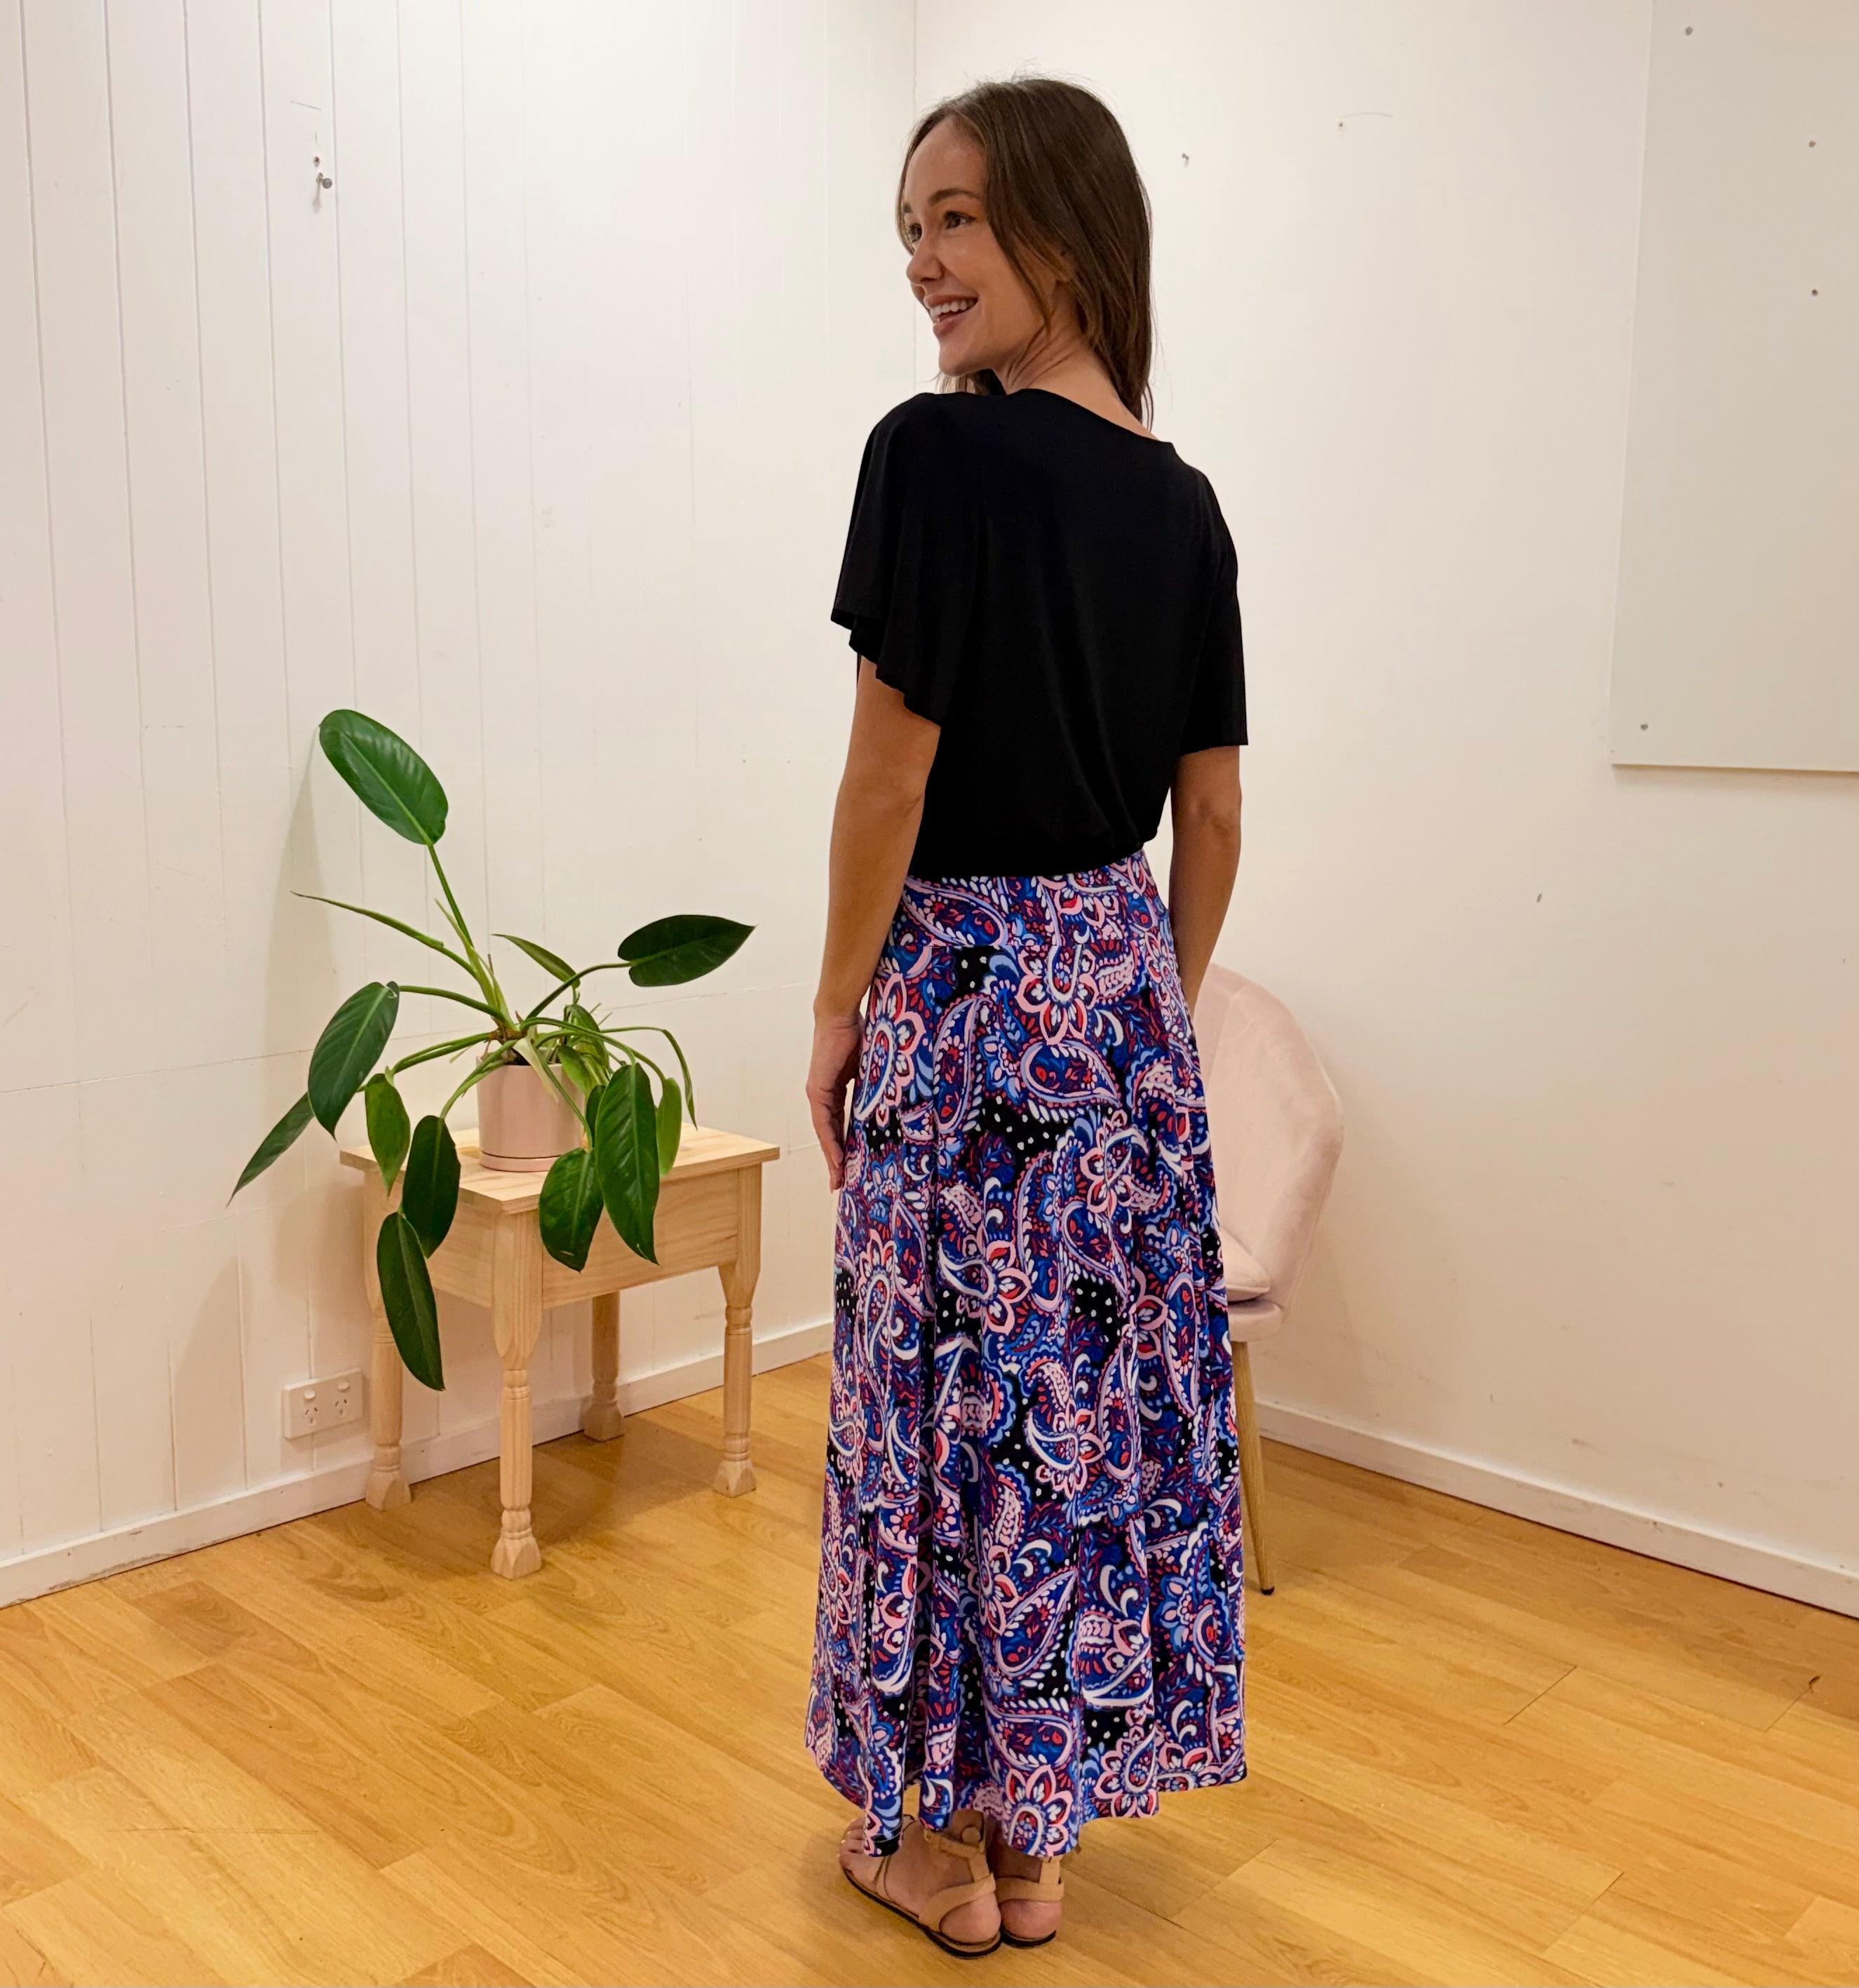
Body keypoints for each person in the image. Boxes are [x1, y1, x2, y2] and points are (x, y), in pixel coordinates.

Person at [802, 74, 1248, 1959]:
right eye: (910, 225)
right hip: (1117, 997)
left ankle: (934, 1848)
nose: (924, 258)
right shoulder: (1183, 499)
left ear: (1071, 224)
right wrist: (1153, 1000)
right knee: (1071, 1422)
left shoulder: (933, 455)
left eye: (960, 216)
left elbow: (886, 782)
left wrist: (836, 1004)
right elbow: (1211, 811)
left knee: (935, 1412)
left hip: (959, 984)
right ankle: (1040, 1843)